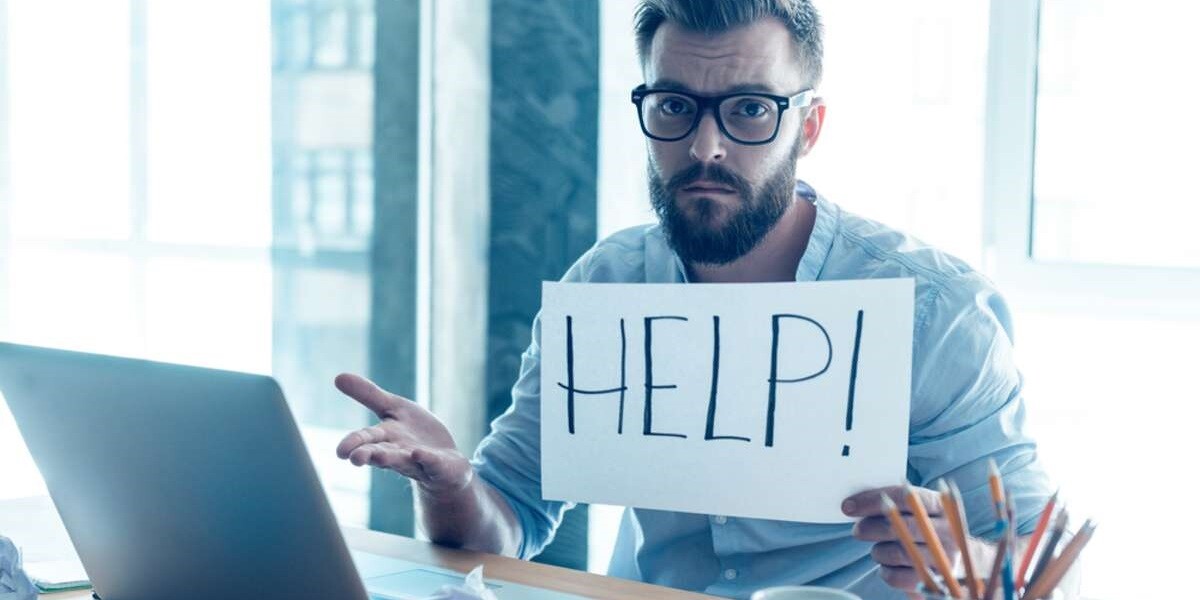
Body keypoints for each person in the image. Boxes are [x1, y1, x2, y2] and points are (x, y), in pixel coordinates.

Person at [334, 1, 1054, 598]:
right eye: (675, 105)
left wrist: (972, 566)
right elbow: (506, 522)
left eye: (748, 110)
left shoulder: (935, 311)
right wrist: (454, 483)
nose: (705, 147)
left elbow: (1048, 564)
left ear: (808, 127)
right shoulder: (606, 286)